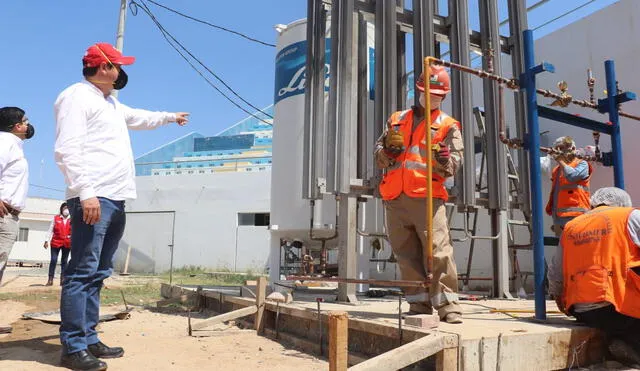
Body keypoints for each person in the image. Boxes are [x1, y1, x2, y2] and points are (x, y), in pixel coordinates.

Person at [54, 42, 189, 370]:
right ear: (103, 67)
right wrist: (85, 193)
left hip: (115, 198)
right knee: (81, 272)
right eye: (118, 66)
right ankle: (72, 347)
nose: (122, 73)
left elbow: (140, 118)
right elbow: (66, 149)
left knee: (98, 272)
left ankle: (88, 337)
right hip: (94, 197)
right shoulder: (76, 96)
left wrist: (170, 117)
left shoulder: (109, 103)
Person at [375, 65, 464, 324]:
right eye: (429, 92)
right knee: (405, 252)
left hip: (428, 197)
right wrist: (387, 153)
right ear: (419, 90)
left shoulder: (448, 125)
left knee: (438, 251)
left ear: (444, 96)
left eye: (438, 94)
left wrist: (444, 160)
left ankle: (449, 307)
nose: (433, 97)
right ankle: (418, 305)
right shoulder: (396, 119)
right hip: (395, 196)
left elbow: (455, 165)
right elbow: (379, 155)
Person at [548, 187, 640, 365]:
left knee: (621, 326)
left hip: (583, 311)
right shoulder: (629, 216)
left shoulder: (571, 226)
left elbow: (555, 272)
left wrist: (558, 297)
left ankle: (628, 346)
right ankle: (630, 347)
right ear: (622, 204)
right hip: (621, 305)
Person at [0, 106, 34, 333]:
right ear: (16, 126)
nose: (28, 124)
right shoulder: (5, 141)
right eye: (25, 121)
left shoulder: (12, 144)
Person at [545, 136, 593, 237]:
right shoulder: (557, 170)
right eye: (558, 148)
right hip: (559, 218)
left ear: (573, 148)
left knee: (578, 248)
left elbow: (572, 176)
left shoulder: (582, 164)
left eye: (562, 148)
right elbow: (556, 193)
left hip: (578, 216)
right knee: (564, 251)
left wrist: (560, 161)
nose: (559, 151)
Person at [44, 202, 71, 286]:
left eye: (67, 208)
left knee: (64, 261)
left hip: (67, 243)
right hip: (55, 242)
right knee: (53, 260)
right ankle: (50, 279)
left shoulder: (72, 219)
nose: (66, 210)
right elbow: (50, 230)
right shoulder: (56, 218)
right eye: (64, 208)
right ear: (61, 209)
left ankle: (63, 279)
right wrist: (46, 241)